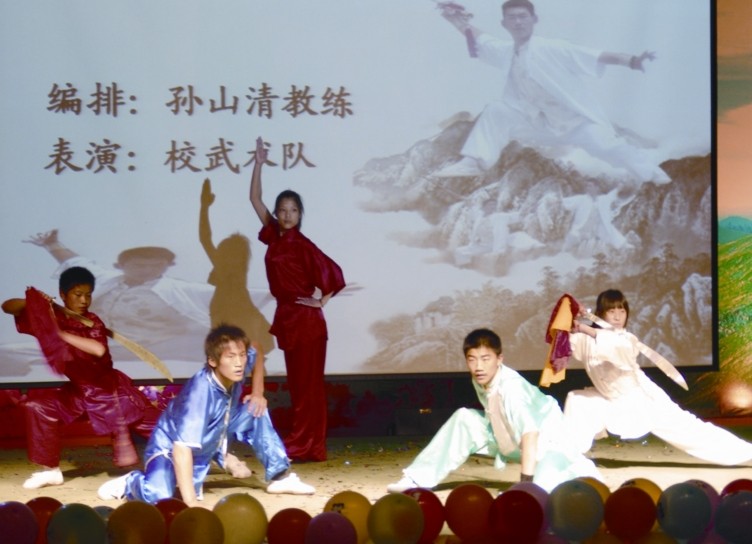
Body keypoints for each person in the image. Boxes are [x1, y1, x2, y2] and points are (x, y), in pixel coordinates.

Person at [434, 0, 670, 184]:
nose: (518, 22)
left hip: (575, 124)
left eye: (523, 16)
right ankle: (474, 161)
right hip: (539, 126)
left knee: (610, 148)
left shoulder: (551, 48)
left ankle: (654, 175)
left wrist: (632, 61)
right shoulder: (506, 51)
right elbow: (481, 39)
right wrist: (456, 20)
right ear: (504, 23)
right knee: (496, 110)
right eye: (512, 18)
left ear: (534, 19)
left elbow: (596, 55)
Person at [97, 324, 315, 505]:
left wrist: (258, 393)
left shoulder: (238, 363)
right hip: (170, 446)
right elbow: (181, 449)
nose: (239, 363)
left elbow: (256, 349)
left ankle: (280, 476)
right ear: (213, 360)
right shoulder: (199, 393)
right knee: (159, 496)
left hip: (216, 429)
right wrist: (192, 505)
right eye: (231, 357)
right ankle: (130, 482)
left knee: (256, 409)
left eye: (241, 355)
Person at [386, 328, 601, 493]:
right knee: (464, 418)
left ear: (500, 359)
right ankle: (417, 478)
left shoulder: (512, 389)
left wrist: (525, 484)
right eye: (472, 359)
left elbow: (530, 433)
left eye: (485, 359)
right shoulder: (481, 377)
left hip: (549, 445)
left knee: (542, 494)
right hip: (509, 437)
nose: (478, 366)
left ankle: (578, 468)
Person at [1, 266, 157, 489]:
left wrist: (58, 333)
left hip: (111, 394)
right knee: (39, 406)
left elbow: (98, 349)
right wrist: (35, 303)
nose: (84, 300)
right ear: (63, 295)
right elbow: (7, 306)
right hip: (79, 393)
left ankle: (199, 457)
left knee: (162, 428)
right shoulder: (49, 318)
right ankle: (50, 471)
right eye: (78, 294)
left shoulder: (92, 321)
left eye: (88, 295)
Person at [562, 289, 752, 465]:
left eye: (622, 311)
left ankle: (745, 452)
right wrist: (574, 317)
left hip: (643, 400)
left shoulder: (625, 338)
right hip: (611, 400)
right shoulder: (585, 338)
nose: (618, 316)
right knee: (578, 400)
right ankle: (569, 456)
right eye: (611, 311)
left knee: (690, 431)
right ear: (601, 313)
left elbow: (614, 344)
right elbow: (567, 341)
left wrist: (584, 327)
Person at [249, 136, 346, 462]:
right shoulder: (275, 237)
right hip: (289, 318)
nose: (287, 215)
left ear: (300, 214)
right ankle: (307, 444)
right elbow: (254, 198)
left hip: (307, 322)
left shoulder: (303, 245)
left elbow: (334, 274)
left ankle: (307, 444)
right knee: (299, 386)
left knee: (308, 387)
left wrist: (321, 301)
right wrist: (258, 164)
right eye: (282, 210)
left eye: (293, 210)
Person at [23, 229, 212, 363]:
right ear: (119, 266)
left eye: (156, 265)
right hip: (102, 345)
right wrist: (52, 244)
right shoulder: (105, 280)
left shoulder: (182, 289)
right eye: (140, 265)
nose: (148, 270)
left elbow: (224, 295)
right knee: (15, 353)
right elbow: (75, 262)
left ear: (168, 266)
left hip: (156, 346)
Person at [199, 178, 275, 355]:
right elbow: (205, 238)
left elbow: (205, 238)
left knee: (241, 354)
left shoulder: (230, 267)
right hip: (230, 312)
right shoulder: (229, 266)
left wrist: (204, 207)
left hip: (237, 311)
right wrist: (204, 207)